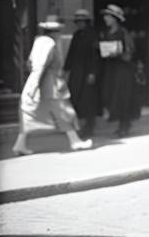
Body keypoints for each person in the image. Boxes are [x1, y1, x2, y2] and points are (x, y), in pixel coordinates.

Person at [12, 15, 93, 155]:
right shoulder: (49, 43)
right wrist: (36, 84)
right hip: (51, 83)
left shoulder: (38, 41)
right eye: (58, 30)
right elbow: (42, 65)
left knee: (30, 113)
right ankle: (75, 141)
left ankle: (20, 144)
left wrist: (33, 83)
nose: (59, 33)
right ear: (54, 31)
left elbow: (30, 63)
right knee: (64, 111)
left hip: (39, 81)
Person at [97, 4, 140, 137]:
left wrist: (118, 52)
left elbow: (130, 51)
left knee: (122, 96)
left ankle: (124, 125)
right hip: (111, 69)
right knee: (110, 95)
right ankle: (120, 122)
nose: (105, 19)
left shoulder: (123, 32)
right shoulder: (105, 33)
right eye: (105, 16)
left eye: (108, 16)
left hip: (123, 70)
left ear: (115, 18)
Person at [64, 8, 100, 140]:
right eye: (77, 21)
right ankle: (79, 125)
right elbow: (71, 53)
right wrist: (66, 69)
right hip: (76, 72)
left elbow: (95, 56)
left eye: (82, 21)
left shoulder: (93, 36)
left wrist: (93, 72)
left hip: (88, 71)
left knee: (88, 100)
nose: (79, 24)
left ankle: (89, 127)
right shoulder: (76, 35)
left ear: (86, 22)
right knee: (76, 98)